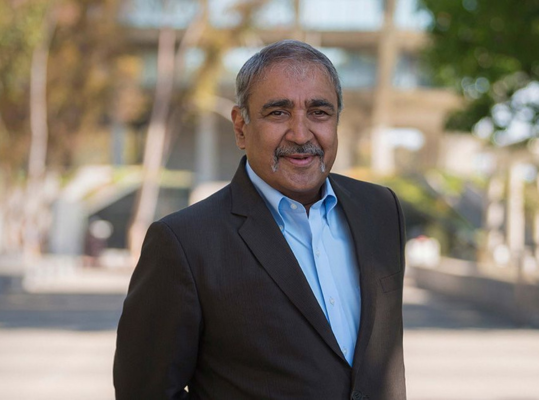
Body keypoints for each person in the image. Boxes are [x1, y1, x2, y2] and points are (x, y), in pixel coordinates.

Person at [114, 39, 406, 400]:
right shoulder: (183, 243)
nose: (301, 134)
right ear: (240, 127)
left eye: (319, 112)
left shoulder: (381, 210)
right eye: (278, 113)